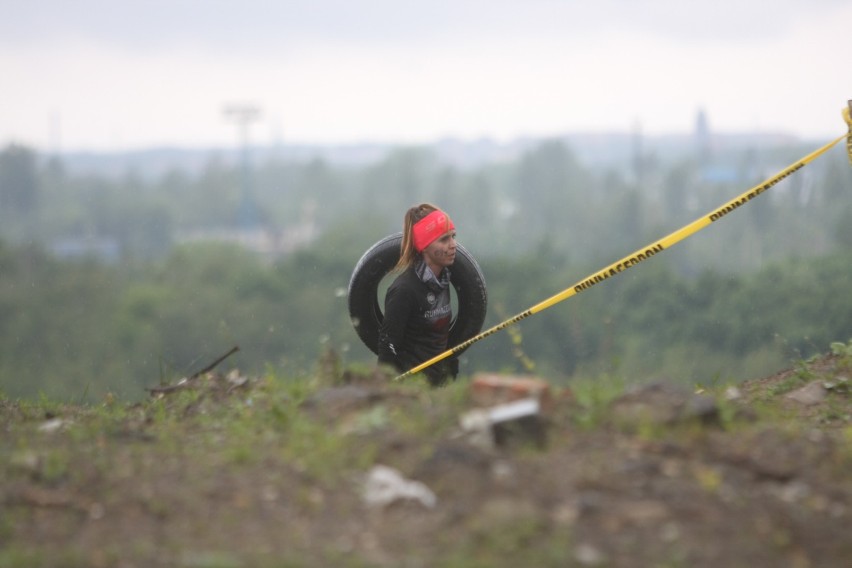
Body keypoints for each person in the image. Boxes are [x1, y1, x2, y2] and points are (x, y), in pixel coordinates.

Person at [378, 203, 459, 386]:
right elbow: (387, 348)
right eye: (444, 239)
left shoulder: (444, 281)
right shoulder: (404, 291)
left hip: (440, 387)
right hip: (411, 390)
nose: (453, 245)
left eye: (453, 237)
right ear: (425, 246)